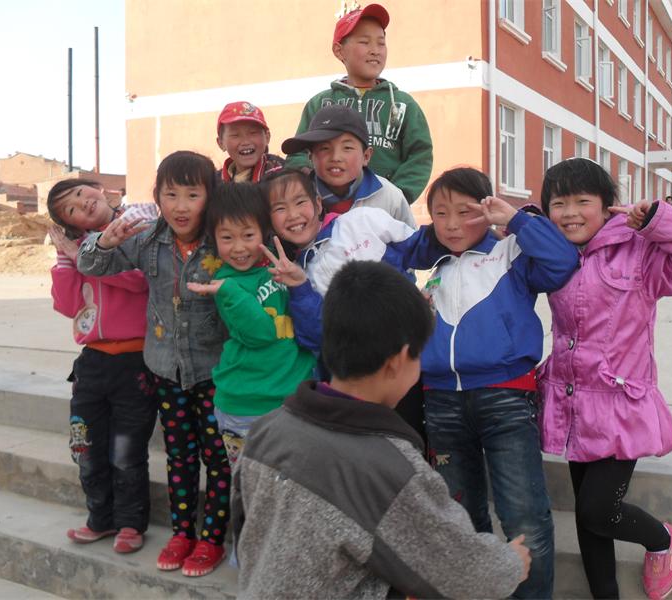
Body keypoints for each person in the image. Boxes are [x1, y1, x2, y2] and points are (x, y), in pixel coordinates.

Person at [230, 260, 531, 599]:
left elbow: (244, 531)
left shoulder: (267, 429)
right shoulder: (391, 470)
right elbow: (465, 573)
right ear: (397, 361)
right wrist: (510, 563)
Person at [538, 157, 672, 599]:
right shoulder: (553, 254)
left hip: (622, 405)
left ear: (607, 207)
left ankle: (660, 539)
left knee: (598, 511)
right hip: (573, 404)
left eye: (582, 201)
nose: (570, 213)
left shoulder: (638, 252)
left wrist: (659, 221)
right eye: (558, 204)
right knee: (588, 518)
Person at [418, 167, 579, 599]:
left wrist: (516, 220)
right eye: (440, 214)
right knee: (460, 520)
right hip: (441, 403)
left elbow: (563, 262)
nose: (452, 224)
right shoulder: (437, 266)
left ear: (487, 209)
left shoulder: (510, 252)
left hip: (505, 398)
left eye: (464, 212)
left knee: (524, 518)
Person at [77, 151, 231, 578]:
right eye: (171, 194)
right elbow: (90, 264)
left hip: (216, 372)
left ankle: (212, 539)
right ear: (157, 197)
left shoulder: (223, 238)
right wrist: (105, 241)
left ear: (210, 195)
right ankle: (182, 533)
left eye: (193, 195)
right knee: (180, 455)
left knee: (218, 458)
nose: (181, 206)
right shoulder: (146, 238)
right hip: (166, 370)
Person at [258, 167, 442, 439]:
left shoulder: (361, 221)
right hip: (355, 390)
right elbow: (317, 338)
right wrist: (299, 286)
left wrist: (462, 229)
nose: (293, 215)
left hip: (405, 366)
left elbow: (421, 248)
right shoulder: (292, 271)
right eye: (280, 208)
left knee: (410, 442)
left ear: (317, 203)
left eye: (300, 202)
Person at [47, 178, 158, 555]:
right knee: (85, 446)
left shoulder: (136, 226)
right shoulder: (76, 248)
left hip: (134, 362)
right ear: (71, 224)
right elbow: (66, 305)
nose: (82, 204)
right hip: (92, 361)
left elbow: (140, 282)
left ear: (100, 189)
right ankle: (100, 517)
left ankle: (130, 523)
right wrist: (66, 259)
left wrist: (87, 257)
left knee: (127, 450)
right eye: (71, 209)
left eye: (82, 193)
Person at [186, 182, 316, 467]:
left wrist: (299, 282)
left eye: (248, 235)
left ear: (264, 231)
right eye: (227, 238)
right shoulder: (226, 284)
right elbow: (261, 333)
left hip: (292, 401)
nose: (239, 247)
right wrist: (230, 293)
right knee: (252, 485)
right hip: (246, 406)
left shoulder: (279, 265)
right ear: (214, 238)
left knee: (293, 484)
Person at [285, 3, 432, 204]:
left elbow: (420, 156)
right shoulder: (321, 104)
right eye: (365, 42)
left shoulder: (402, 104)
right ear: (339, 51)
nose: (375, 51)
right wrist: (314, 186)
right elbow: (298, 154)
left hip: (385, 211)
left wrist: (394, 196)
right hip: (329, 211)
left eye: (381, 43)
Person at [281, 102, 415, 228]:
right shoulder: (299, 198)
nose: (335, 157)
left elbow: (412, 242)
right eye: (324, 148)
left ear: (366, 156)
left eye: (347, 148)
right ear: (310, 156)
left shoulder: (389, 197)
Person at [216, 101, 284, 183]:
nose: (245, 142)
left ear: (267, 137)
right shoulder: (214, 182)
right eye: (235, 135)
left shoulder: (281, 175)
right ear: (221, 143)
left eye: (253, 133)